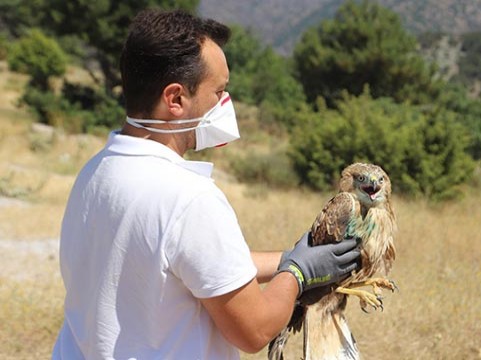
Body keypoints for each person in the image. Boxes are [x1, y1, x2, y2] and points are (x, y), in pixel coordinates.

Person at [52, 9, 361, 360]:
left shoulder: (97, 171)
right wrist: (298, 273)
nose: (224, 104)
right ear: (176, 99)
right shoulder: (188, 198)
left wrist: (287, 258)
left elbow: (182, 263)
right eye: (219, 91)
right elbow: (254, 329)